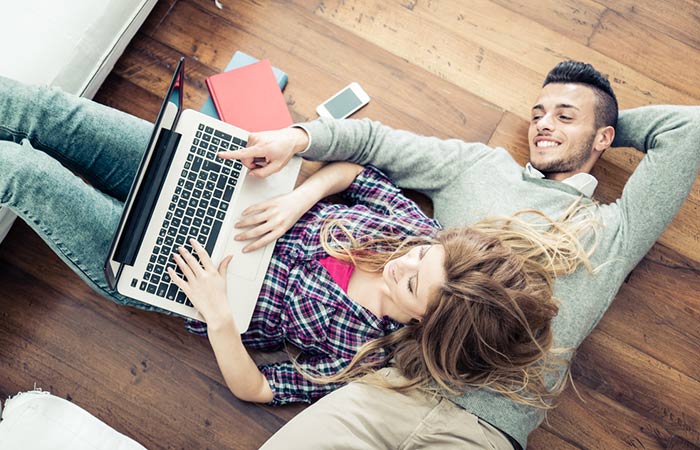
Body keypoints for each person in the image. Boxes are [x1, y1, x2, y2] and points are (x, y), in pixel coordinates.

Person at [0, 74, 590, 408]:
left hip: (176, 273)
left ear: (425, 325)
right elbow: (357, 173)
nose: (401, 262)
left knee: (21, 173)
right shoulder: (415, 235)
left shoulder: (368, 357)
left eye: (411, 282)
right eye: (419, 255)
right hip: (215, 185)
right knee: (49, 113)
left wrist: (218, 319)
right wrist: (297, 199)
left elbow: (256, 386)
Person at [219, 60, 700, 450]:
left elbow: (688, 129)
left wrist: (606, 122)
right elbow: (376, 143)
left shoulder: (613, 231)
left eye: (564, 116)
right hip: (391, 388)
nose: (543, 125)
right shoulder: (479, 168)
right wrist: (299, 139)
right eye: (538, 115)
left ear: (602, 138)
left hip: (484, 433)